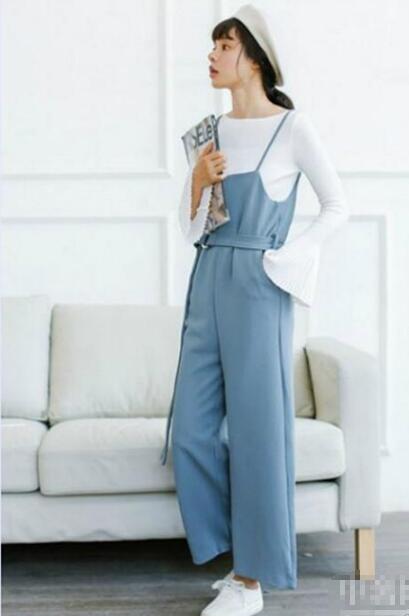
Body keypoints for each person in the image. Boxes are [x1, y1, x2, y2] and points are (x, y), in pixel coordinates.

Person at [160, 5, 350, 615]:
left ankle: (250, 580)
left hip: (259, 285)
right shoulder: (207, 133)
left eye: (224, 46)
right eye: (213, 46)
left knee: (258, 431)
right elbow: (192, 227)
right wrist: (198, 180)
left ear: (254, 59)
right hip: (209, 274)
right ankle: (233, 558)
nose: (212, 56)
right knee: (190, 430)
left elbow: (337, 206)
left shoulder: (291, 128)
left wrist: (288, 257)